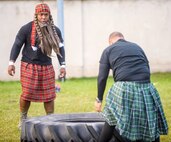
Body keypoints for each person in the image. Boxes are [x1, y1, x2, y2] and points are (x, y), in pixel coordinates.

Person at [95, 32, 168, 142]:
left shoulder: (108, 50)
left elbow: (102, 77)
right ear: (123, 39)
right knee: (150, 121)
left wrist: (99, 99)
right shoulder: (137, 47)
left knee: (111, 118)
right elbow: (146, 68)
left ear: (110, 42)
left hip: (123, 87)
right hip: (147, 87)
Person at [8, 3, 66, 129]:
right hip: (29, 65)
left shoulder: (55, 30)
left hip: (46, 66)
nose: (44, 17)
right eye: (41, 15)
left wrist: (63, 66)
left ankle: (50, 120)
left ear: (49, 15)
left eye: (46, 14)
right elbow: (17, 45)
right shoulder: (26, 29)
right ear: (36, 15)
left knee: (50, 95)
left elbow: (60, 49)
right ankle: (23, 118)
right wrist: (11, 63)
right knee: (27, 94)